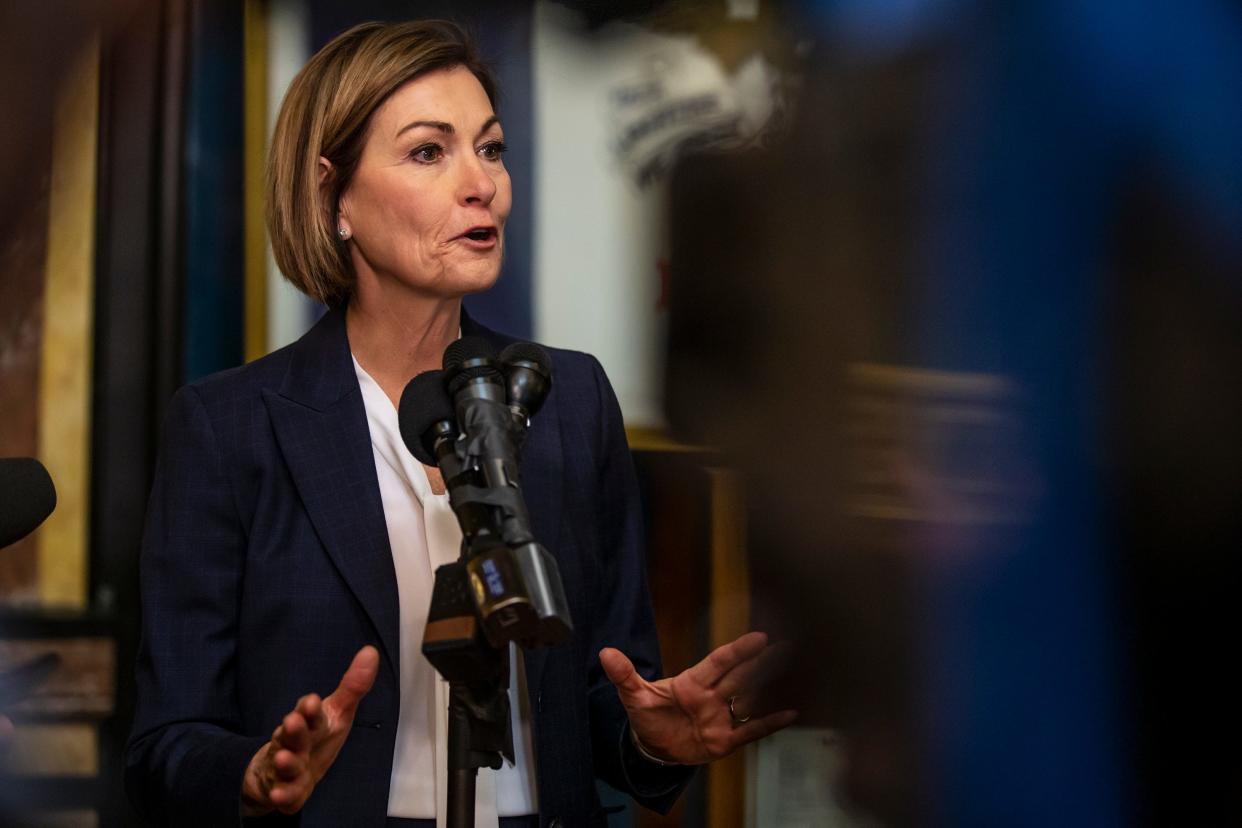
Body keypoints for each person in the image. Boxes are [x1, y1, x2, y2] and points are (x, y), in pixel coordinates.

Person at [124, 20, 793, 827]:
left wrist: (654, 739)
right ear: (332, 195)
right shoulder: (230, 428)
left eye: (492, 148)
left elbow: (606, 697)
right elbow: (165, 746)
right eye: (429, 152)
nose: (483, 185)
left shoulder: (570, 399)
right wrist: (256, 771)